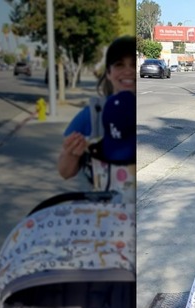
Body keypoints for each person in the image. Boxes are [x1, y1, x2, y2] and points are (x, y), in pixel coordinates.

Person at [57, 35, 136, 195]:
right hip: (105, 213)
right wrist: (71, 153)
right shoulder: (92, 115)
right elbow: (65, 172)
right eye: (119, 64)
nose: (128, 71)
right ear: (108, 72)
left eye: (134, 64)